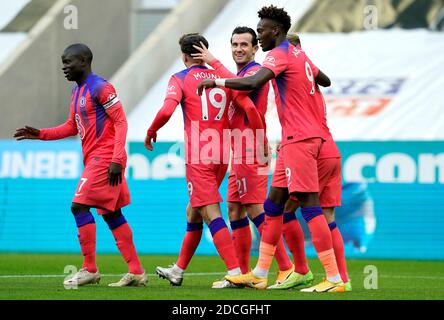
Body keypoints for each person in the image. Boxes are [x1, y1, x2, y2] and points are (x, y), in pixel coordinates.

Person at [198, 5, 345, 292]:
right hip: (299, 140)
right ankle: (261, 272)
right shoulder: (298, 54)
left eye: (262, 30)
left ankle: (334, 278)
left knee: (310, 206)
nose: (259, 35)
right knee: (272, 205)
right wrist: (304, 71)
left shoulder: (277, 54)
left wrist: (215, 79)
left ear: (275, 30)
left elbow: (253, 81)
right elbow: (325, 80)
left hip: (300, 140)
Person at [13, 44, 146, 287]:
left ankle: (90, 269)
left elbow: (121, 122)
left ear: (84, 61)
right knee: (111, 213)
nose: (64, 67)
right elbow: (72, 127)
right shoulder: (77, 92)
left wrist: (117, 158)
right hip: (96, 157)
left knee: (78, 207)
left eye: (68, 62)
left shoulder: (101, 87)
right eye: (63, 62)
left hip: (105, 157)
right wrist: (40, 134)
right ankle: (136, 271)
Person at [144, 33, 264, 288]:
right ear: (205, 52)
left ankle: (235, 273)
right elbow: (248, 107)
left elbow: (166, 110)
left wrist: (151, 130)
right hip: (222, 153)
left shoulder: (180, 78)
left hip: (199, 154)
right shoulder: (221, 80)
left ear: (184, 56)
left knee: (211, 212)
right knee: (194, 210)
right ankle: (178, 269)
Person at [191, 26, 297, 289]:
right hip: (238, 149)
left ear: (255, 49)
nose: (239, 49)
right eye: (235, 44)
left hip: (250, 149)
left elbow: (246, 102)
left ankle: (286, 268)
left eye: (244, 45)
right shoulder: (238, 75)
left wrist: (212, 62)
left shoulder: (253, 72)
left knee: (255, 208)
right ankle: (241, 274)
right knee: (235, 209)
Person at [270, 33, 351, 291]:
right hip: (330, 148)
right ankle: (342, 279)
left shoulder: (293, 82)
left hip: (309, 146)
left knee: (286, 208)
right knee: (327, 215)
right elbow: (325, 79)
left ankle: (304, 271)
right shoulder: (311, 83)